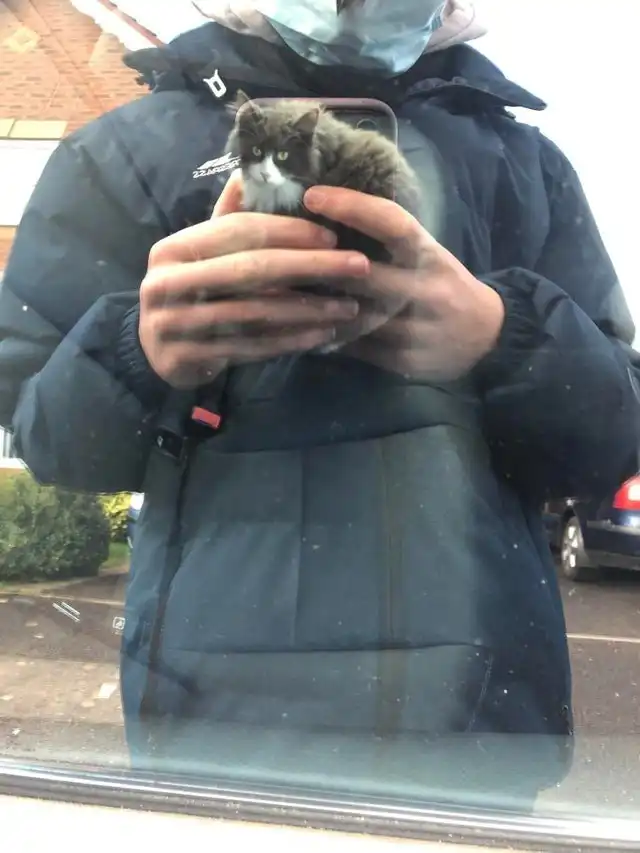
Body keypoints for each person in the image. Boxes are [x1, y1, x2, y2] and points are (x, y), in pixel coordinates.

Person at [0, 0, 638, 801]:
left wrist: (500, 337)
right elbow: (45, 432)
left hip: (464, 743)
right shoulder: (125, 153)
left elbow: (618, 441)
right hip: (230, 750)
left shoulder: (525, 164)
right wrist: (139, 349)